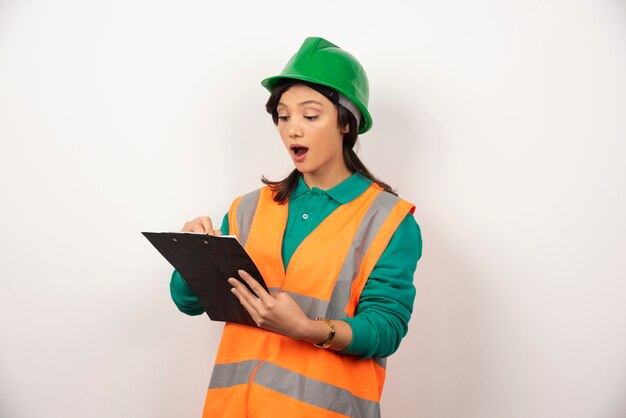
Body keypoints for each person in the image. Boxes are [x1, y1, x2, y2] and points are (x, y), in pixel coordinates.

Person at [169, 37, 422, 418]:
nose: (292, 130)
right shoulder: (248, 208)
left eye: (310, 115)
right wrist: (193, 254)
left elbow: (386, 329)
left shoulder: (388, 220)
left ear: (345, 122)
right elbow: (189, 302)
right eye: (283, 116)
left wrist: (307, 328)